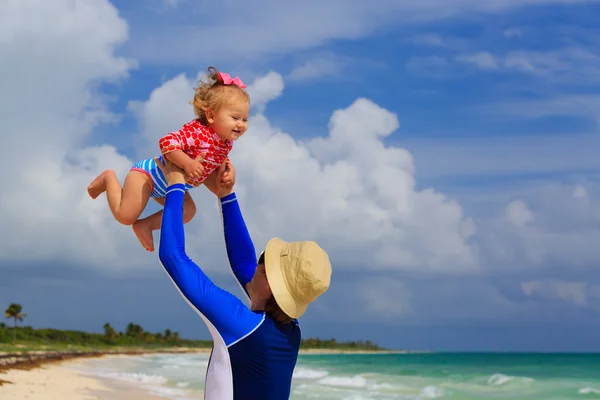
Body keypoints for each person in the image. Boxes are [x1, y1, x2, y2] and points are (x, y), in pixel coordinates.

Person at [156, 157, 332, 400]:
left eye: (263, 262)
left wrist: (175, 184)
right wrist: (226, 193)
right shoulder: (291, 331)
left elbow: (173, 256)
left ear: (269, 284)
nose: (256, 263)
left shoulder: (241, 326)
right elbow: (243, 264)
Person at [87, 66, 250, 252]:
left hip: (174, 185)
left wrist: (227, 178)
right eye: (235, 117)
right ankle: (109, 178)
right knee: (125, 216)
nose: (241, 124)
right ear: (211, 116)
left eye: (245, 119)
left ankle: (145, 225)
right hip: (148, 176)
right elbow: (166, 142)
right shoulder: (197, 132)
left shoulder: (225, 144)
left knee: (188, 212)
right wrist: (187, 162)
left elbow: (212, 176)